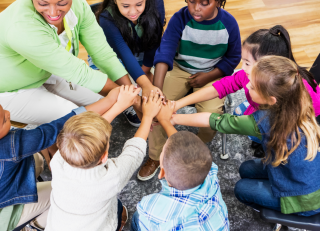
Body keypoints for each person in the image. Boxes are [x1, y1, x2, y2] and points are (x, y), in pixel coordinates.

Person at [172, 56, 320, 216]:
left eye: (254, 87)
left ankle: (286, 211)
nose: (247, 85)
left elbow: (214, 120)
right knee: (246, 168)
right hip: (302, 174)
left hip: (306, 199)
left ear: (271, 100)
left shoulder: (264, 122)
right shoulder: (297, 100)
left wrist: (174, 118)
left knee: (241, 189)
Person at [173, 25, 320, 158]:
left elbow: (220, 122)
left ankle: (264, 142)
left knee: (266, 135)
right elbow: (221, 87)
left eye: (247, 63)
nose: (242, 68)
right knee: (240, 113)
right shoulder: (251, 76)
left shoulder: (303, 99)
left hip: (284, 127)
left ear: (267, 66)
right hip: (264, 110)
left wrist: (173, 117)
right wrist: (177, 104)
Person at [0, 85, 132, 231]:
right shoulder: (10, 146)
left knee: (36, 161)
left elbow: (42, 137)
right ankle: (36, 224)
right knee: (58, 194)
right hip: (4, 214)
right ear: (104, 156)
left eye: (3, 109)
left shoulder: (51, 160)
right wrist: (113, 103)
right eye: (4, 121)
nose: (8, 113)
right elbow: (57, 127)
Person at [138, 0, 241, 181]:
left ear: (218, 2)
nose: (196, 8)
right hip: (179, 68)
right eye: (192, 1)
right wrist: (158, 91)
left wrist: (209, 76)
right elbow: (165, 51)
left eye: (204, 3)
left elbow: (233, 58)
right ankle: (155, 156)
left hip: (212, 72)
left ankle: (197, 148)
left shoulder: (229, 24)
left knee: (211, 117)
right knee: (156, 109)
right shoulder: (180, 18)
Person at [0, 0, 140, 126]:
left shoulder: (79, 6)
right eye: (43, 3)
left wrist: (130, 93)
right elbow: (79, 73)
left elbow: (102, 53)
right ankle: (40, 140)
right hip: (11, 89)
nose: (53, 12)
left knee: (101, 102)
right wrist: (135, 101)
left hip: (45, 71)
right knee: (76, 119)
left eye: (61, 3)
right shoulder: (21, 27)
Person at [45, 89, 162, 231]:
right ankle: (120, 221)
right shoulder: (112, 178)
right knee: (115, 215)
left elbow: (87, 135)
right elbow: (135, 151)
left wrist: (119, 106)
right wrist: (148, 116)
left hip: (59, 225)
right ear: (104, 156)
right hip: (100, 226)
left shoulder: (59, 160)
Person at [130, 101, 229, 231]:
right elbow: (183, 147)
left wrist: (148, 118)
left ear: (162, 173)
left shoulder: (149, 208)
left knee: (136, 218)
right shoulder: (210, 172)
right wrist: (165, 121)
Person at [88, 0, 165, 127]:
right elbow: (123, 52)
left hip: (141, 49)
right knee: (121, 87)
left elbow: (155, 37)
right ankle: (127, 102)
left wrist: (146, 69)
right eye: (125, 6)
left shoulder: (157, 3)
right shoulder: (106, 17)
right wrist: (142, 87)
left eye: (139, 4)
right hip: (114, 54)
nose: (133, 12)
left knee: (157, 79)